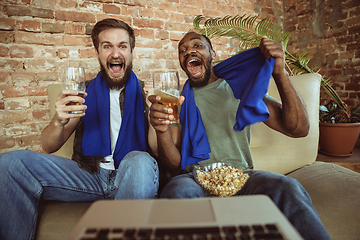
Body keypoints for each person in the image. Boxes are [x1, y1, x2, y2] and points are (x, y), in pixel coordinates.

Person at [148, 32, 331, 240]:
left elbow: (298, 128)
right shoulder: (177, 99)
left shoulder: (241, 87)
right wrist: (161, 131)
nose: (189, 51)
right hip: (195, 179)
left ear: (212, 53)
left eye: (197, 45)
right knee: (175, 191)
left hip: (242, 177)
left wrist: (280, 73)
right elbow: (173, 164)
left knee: (289, 187)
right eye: (182, 50)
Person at [0, 18, 159, 240]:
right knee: (9, 164)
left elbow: (158, 150)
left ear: (132, 52)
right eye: (107, 46)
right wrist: (59, 120)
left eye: (122, 46)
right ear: (98, 52)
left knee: (140, 160)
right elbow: (48, 145)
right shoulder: (82, 94)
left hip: (131, 175)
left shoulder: (147, 93)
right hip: (89, 176)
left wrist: (154, 117)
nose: (115, 54)